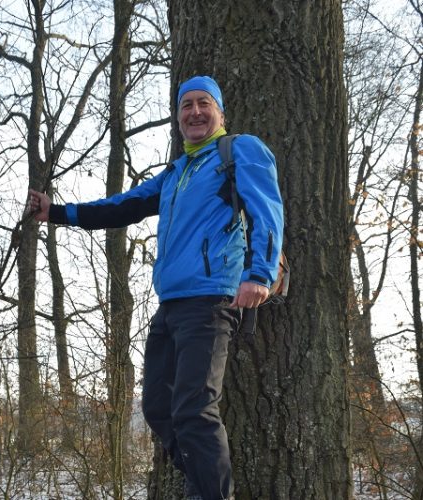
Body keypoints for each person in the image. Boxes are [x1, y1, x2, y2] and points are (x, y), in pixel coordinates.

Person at [28, 75, 283, 500]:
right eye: (187, 105)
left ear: (220, 113)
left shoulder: (238, 151)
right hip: (170, 305)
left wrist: (259, 274)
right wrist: (57, 212)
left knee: (194, 411)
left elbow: (268, 210)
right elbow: (122, 206)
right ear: (178, 118)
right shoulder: (176, 173)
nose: (195, 112)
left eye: (204, 103)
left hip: (211, 299)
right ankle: (203, 484)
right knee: (158, 408)